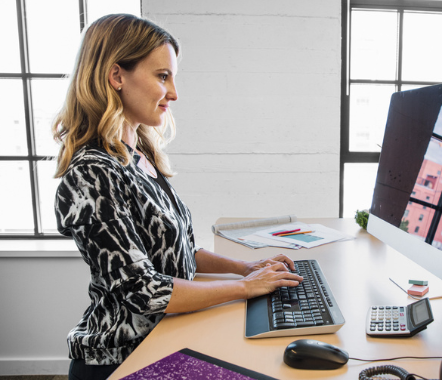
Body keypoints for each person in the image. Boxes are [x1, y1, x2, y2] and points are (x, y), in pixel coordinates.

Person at [52, 14, 303, 380]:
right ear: (116, 75)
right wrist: (245, 288)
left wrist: (245, 268)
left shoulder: (140, 158)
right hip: (121, 359)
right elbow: (146, 291)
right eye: (162, 76)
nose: (173, 93)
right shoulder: (92, 173)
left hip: (168, 336)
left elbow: (180, 253)